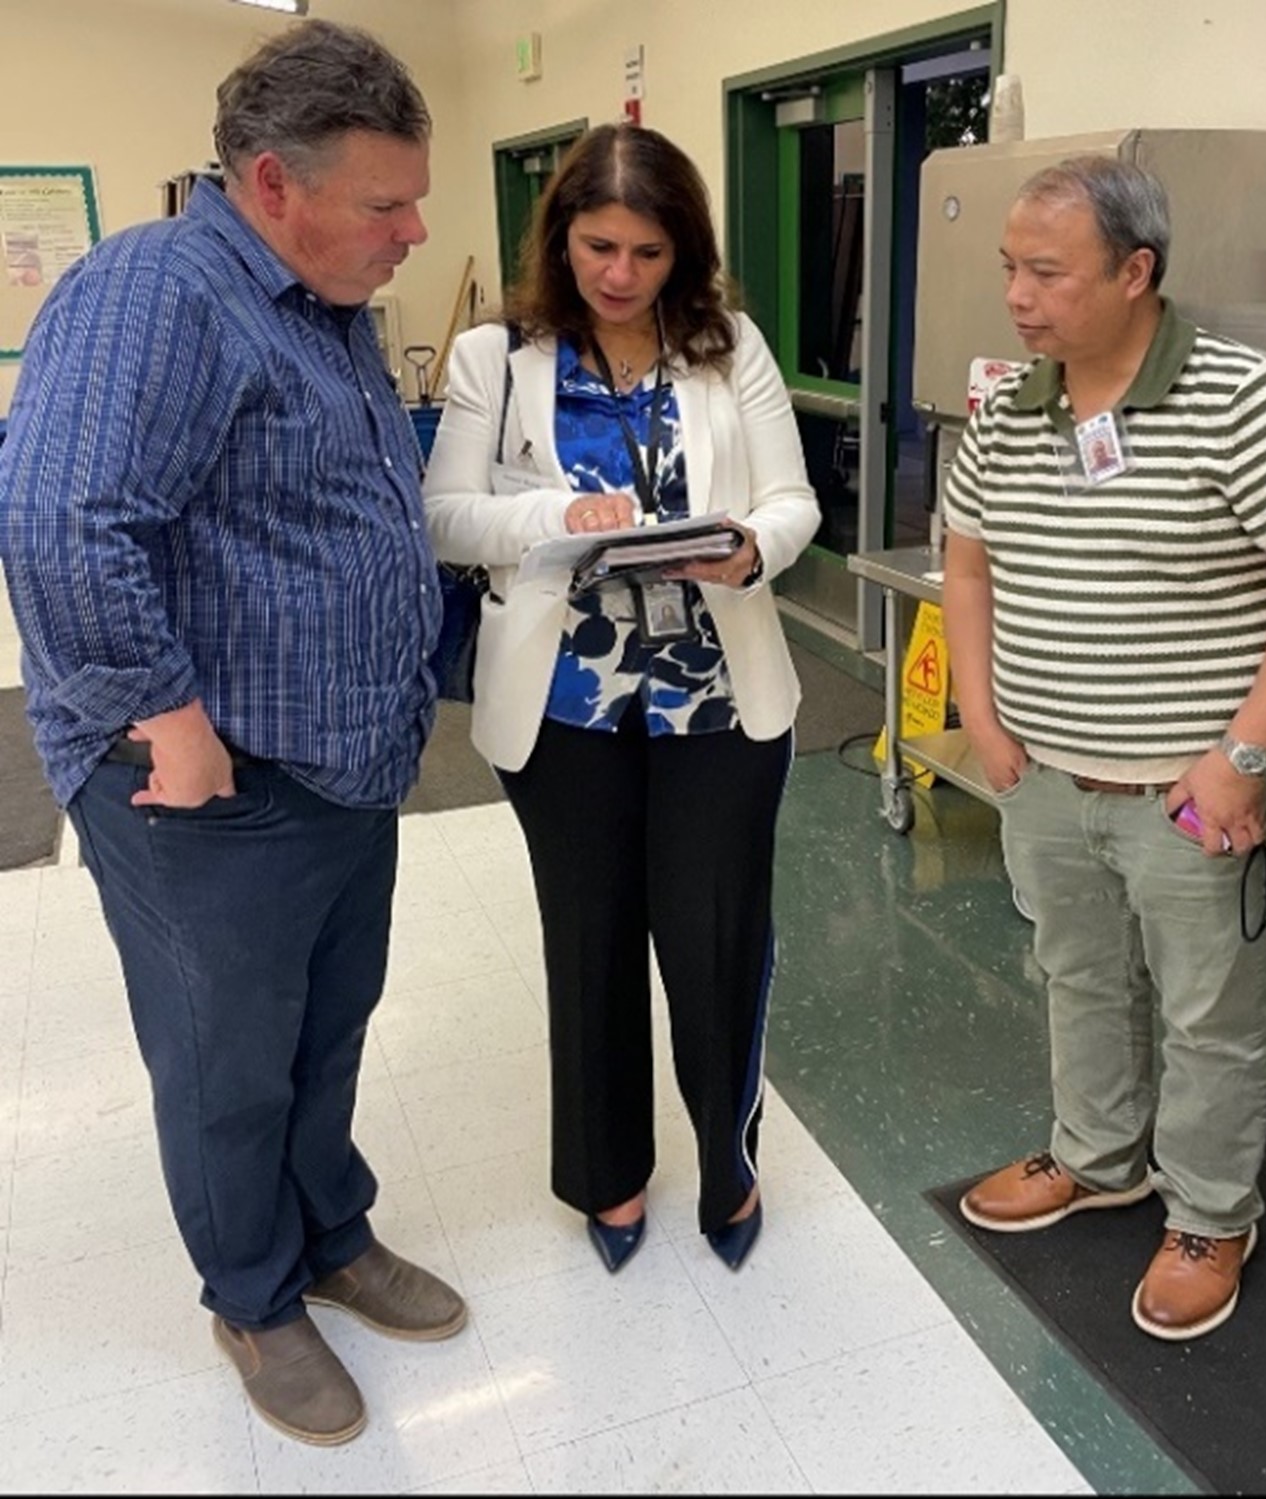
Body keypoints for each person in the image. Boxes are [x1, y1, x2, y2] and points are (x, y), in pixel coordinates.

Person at [0, 20, 466, 1445]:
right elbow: (62, 517)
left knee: (324, 1033)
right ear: (273, 184)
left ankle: (330, 1227)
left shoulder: (319, 298)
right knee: (226, 1060)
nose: (414, 229)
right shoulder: (159, 292)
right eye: (386, 204)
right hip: (213, 789)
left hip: (337, 766)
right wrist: (170, 715)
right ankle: (254, 1295)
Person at [941, 155, 1266, 1341]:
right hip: (1046, 778)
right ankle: (1096, 1155)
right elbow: (969, 563)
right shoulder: (1008, 409)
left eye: (1047, 273)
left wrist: (1242, 754)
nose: (1019, 298)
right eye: (1008, 270)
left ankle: (1210, 1212)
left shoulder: (1254, 402)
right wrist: (982, 720)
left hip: (1195, 793)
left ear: (1137, 272)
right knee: (1076, 977)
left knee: (1207, 1014)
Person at [423, 123, 819, 1275]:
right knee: (588, 942)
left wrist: (749, 547)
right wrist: (556, 515)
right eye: (599, 246)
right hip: (564, 711)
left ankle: (730, 1162)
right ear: (560, 237)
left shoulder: (725, 345)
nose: (619, 275)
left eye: (647, 252)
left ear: (681, 252)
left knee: (716, 942)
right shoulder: (497, 356)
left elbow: (791, 497)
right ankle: (608, 1178)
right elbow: (445, 514)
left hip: (716, 704)